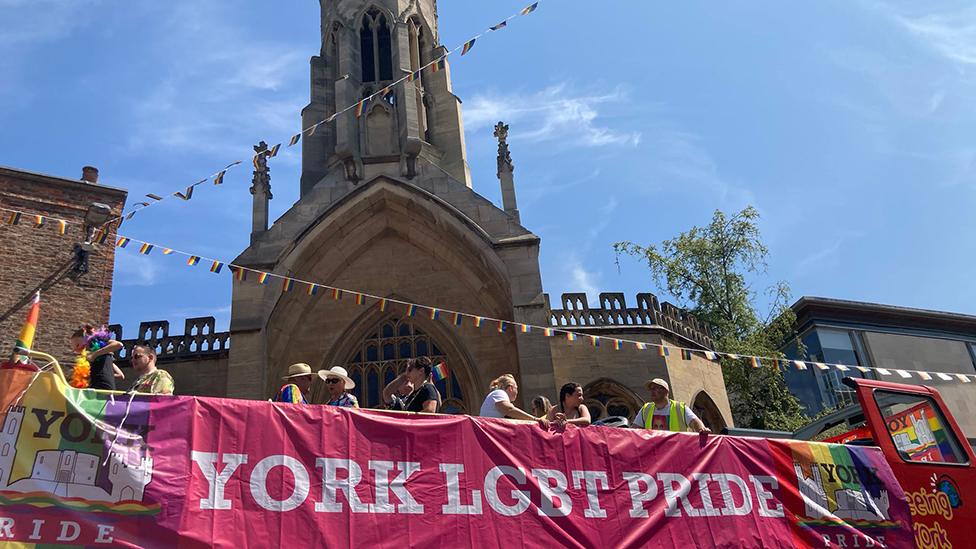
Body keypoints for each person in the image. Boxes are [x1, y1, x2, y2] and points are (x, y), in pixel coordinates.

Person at [631, 378, 710, 434]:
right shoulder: (646, 409)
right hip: (653, 452)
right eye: (651, 389)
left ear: (666, 391)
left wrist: (701, 429)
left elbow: (694, 421)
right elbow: (635, 429)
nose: (652, 391)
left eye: (655, 388)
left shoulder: (679, 408)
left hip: (675, 452)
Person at [480, 374, 552, 427]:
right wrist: (535, 419)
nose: (517, 392)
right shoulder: (500, 393)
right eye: (516, 388)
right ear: (510, 388)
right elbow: (509, 409)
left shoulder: (496, 394)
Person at [70, 324, 123, 391]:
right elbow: (120, 375)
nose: (77, 350)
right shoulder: (99, 354)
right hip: (99, 388)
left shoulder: (101, 346)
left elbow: (119, 344)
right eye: (74, 349)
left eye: (77, 345)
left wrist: (94, 355)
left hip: (103, 388)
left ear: (86, 338)